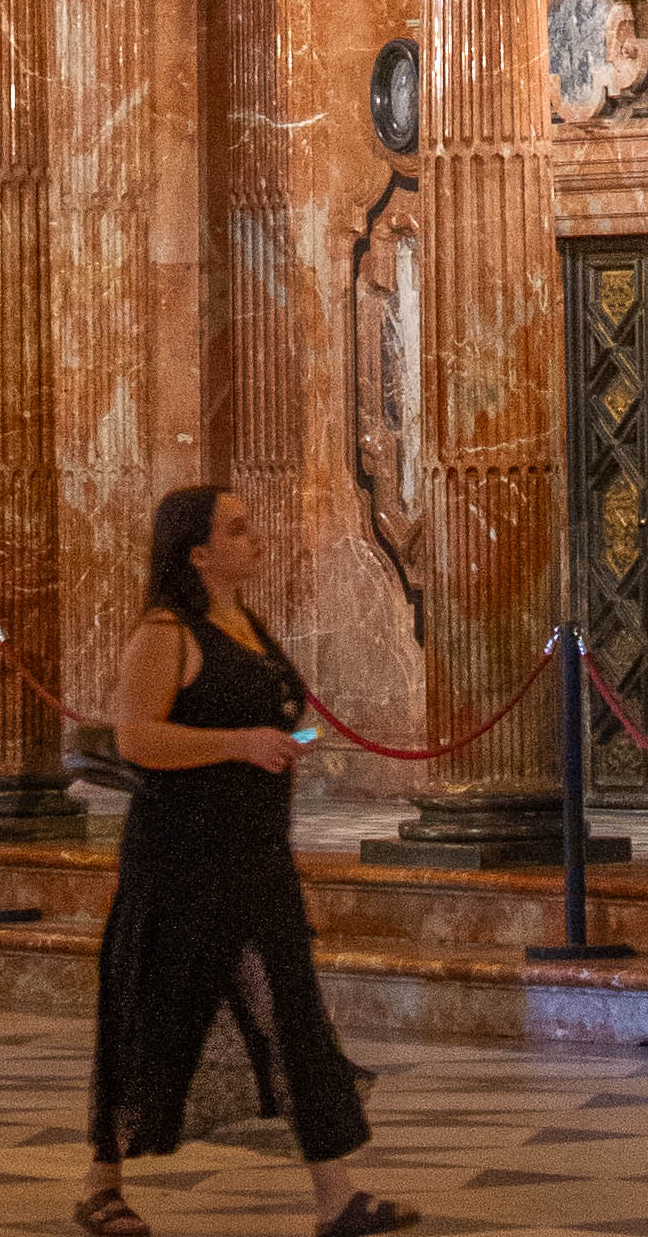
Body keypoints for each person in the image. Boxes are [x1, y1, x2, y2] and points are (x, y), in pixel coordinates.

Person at [82, 483, 414, 1237]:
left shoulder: (246, 624)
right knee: (154, 1015)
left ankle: (337, 1196)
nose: (252, 537)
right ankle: (102, 1181)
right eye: (236, 530)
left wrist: (290, 743)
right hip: (181, 860)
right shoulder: (166, 630)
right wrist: (239, 744)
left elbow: (260, 724)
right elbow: (136, 738)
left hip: (257, 857)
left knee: (294, 1015)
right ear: (198, 553)